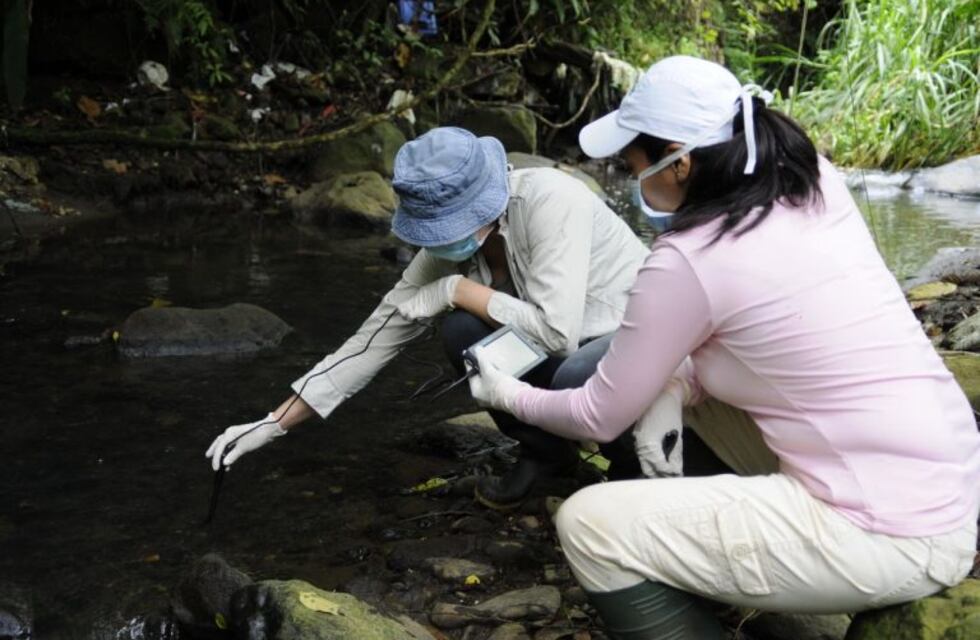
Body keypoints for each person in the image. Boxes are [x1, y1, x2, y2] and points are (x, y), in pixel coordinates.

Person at [468, 56, 980, 639]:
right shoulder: (811, 180)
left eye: (633, 165)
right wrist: (675, 385)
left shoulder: (688, 258)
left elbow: (596, 415)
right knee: (665, 389)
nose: (633, 179)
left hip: (893, 531)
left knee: (589, 527)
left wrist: (506, 394)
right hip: (950, 480)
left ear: (680, 161)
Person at [205, 126, 650, 509]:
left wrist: (455, 290)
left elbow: (557, 335)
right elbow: (374, 338)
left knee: (573, 370)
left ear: (484, 201)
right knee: (463, 332)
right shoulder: (452, 245)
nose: (437, 240)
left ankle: (635, 474)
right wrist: (273, 423)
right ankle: (548, 458)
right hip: (566, 353)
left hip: (634, 348)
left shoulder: (551, 200)